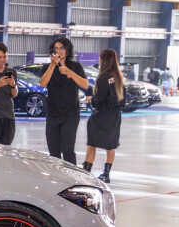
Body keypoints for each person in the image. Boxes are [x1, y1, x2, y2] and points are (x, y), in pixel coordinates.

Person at [39, 37, 89, 164]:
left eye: (61, 48)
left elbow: (85, 85)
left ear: (67, 50)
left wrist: (69, 72)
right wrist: (52, 65)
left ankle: (72, 177)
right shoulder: (47, 67)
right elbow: (43, 83)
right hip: (53, 114)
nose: (58, 51)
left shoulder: (75, 66)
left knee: (68, 149)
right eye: (56, 48)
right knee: (53, 151)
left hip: (70, 114)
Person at [83, 49, 124, 183]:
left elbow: (99, 99)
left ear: (104, 60)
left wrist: (90, 99)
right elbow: (123, 99)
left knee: (92, 144)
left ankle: (86, 172)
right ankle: (106, 174)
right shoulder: (118, 77)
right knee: (111, 146)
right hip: (115, 116)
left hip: (102, 116)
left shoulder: (103, 77)